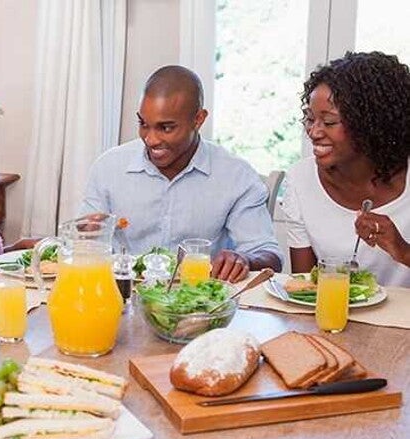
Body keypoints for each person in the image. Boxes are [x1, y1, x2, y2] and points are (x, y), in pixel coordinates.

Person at [79, 65, 282, 282]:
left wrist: (246, 260)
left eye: (166, 128)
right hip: (124, 298)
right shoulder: (108, 168)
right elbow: (83, 246)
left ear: (198, 119)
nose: (151, 139)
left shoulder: (236, 175)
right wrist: (84, 237)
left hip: (199, 303)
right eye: (143, 124)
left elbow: (269, 255)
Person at [282, 51, 410, 287]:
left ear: (371, 124)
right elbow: (305, 288)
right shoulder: (300, 180)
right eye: (310, 119)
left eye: (329, 122)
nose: (314, 132)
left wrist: (402, 250)